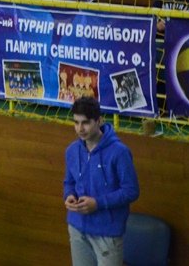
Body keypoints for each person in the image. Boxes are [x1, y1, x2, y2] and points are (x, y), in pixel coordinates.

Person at [64, 97, 140, 266]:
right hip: (77, 228)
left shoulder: (119, 152)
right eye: (76, 122)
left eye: (85, 123)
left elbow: (131, 190)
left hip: (107, 233)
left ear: (99, 121)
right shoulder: (71, 151)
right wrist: (69, 195)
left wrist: (98, 203)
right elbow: (69, 182)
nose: (80, 129)